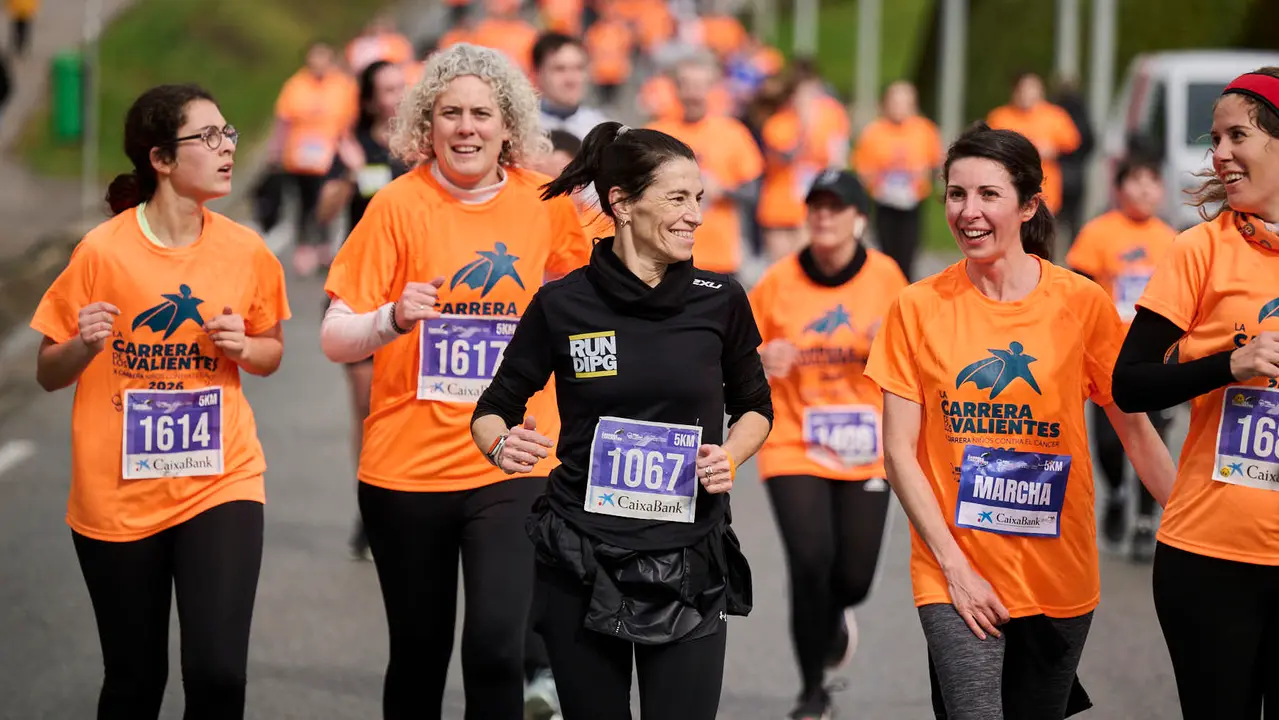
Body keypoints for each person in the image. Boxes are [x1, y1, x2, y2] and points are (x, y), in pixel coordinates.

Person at [863, 123, 1175, 719]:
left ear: (1028, 205)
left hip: (1059, 573)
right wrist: (955, 569)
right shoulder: (916, 307)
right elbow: (899, 452)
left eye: (988, 195)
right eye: (956, 194)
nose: (968, 212)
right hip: (953, 572)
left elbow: (1135, 428)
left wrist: (1192, 533)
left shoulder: (1080, 304)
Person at [319, 43, 588, 719]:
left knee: (497, 648)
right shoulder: (396, 205)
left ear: (507, 126)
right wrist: (390, 318)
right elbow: (334, 333)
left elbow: (599, 298)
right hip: (405, 468)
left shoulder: (545, 203)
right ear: (425, 126)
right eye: (449, 114)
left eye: (480, 113)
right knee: (418, 653)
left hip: (514, 459)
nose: (465, 127)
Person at [470, 120, 773, 719]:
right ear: (623, 203)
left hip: (688, 556)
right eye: (677, 198)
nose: (694, 216)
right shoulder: (563, 303)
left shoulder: (721, 299)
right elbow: (493, 408)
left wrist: (729, 455)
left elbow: (756, 407)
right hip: (582, 555)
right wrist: (500, 446)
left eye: (699, 200)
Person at [30, 83, 290, 720]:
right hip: (118, 493)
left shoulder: (246, 250)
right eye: (208, 137)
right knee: (133, 681)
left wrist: (243, 349)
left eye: (228, 133)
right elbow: (46, 371)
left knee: (218, 674)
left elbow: (271, 350)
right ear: (161, 159)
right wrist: (86, 346)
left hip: (219, 480)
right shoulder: (102, 251)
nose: (226, 147)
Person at [1112, 67, 1279, 719]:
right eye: (1214, 140)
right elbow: (1128, 384)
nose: (1218, 155)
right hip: (1212, 557)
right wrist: (1228, 365)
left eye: (1236, 134)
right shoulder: (1198, 251)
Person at [749, 169, 908, 720]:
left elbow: (918, 358)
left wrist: (883, 350)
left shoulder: (889, 280)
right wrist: (760, 359)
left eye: (836, 207)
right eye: (815, 205)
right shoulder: (776, 283)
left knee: (853, 577)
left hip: (866, 444)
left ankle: (836, 613)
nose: (823, 215)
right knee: (809, 561)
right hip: (794, 440)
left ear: (860, 218)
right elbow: (732, 350)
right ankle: (811, 689)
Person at [312, 59, 410, 561]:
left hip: (417, 295)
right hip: (364, 291)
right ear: (370, 99)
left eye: (402, 87)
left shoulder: (425, 146)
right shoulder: (356, 148)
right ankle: (371, 511)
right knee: (369, 408)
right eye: (387, 89)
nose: (396, 96)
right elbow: (324, 212)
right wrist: (349, 175)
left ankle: (417, 500)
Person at [1065, 155, 1176, 561]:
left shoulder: (1173, 240)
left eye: (1152, 181)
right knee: (1111, 444)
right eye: (1136, 180)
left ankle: (1146, 524)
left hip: (1156, 357)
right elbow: (1078, 290)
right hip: (1107, 357)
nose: (1145, 189)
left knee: (1154, 435)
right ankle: (1115, 491)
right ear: (1119, 188)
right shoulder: (1098, 233)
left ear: (1162, 190)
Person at [647, 53, 762, 277]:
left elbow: (754, 193)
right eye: (686, 85)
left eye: (700, 86)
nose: (693, 93)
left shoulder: (733, 133)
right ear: (675, 89)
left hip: (719, 258)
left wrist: (724, 191)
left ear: (712, 90)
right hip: (666, 256)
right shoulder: (655, 133)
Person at [268, 41, 358, 276]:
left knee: (327, 200)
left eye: (323, 57)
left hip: (331, 153)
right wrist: (275, 150)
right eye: (314, 58)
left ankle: (324, 246)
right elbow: (283, 119)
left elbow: (352, 120)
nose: (319, 63)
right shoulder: (295, 85)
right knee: (304, 203)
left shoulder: (343, 86)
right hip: (299, 156)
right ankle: (304, 246)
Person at [851, 80, 942, 281]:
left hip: (913, 202)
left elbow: (936, 163)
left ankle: (905, 293)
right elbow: (862, 168)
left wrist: (922, 174)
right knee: (887, 255)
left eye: (905, 102)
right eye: (895, 101)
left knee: (908, 254)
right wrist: (879, 178)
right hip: (884, 202)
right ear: (886, 104)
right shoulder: (874, 132)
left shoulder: (924, 130)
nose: (900, 107)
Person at [533, 32, 610, 142]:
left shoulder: (602, 131)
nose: (571, 79)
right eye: (560, 69)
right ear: (538, 74)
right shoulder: (522, 128)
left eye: (578, 68)